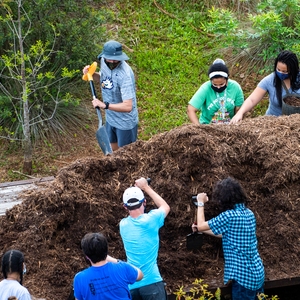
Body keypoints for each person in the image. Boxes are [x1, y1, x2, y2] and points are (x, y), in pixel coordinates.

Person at [192, 177, 265, 300]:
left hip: (243, 280)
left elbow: (201, 224)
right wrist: (203, 230)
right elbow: (229, 234)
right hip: (258, 273)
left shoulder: (229, 216)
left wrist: (200, 202)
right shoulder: (249, 213)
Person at [120, 177, 170, 300]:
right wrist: (146, 187)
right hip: (152, 282)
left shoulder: (123, 225)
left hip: (132, 284)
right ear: (145, 202)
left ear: (125, 207)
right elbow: (165, 206)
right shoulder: (151, 219)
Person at [83, 40, 138, 151]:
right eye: (110, 58)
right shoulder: (104, 61)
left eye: (116, 59)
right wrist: (92, 74)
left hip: (125, 123)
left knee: (125, 157)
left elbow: (128, 106)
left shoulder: (125, 75)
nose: (112, 61)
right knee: (112, 153)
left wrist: (105, 105)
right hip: (110, 118)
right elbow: (105, 81)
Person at [230, 50, 300, 124]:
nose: (281, 73)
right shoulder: (270, 80)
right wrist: (240, 113)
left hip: (296, 124)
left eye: (285, 71)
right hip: (273, 122)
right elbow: (252, 99)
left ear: (293, 70)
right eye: (278, 70)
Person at [73, 232, 143, 300]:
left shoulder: (79, 278)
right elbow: (140, 275)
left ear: (87, 256)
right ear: (106, 250)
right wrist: (116, 261)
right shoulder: (122, 268)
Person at [187, 58, 244, 124]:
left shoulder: (235, 87)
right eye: (215, 84)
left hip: (229, 127)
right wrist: (199, 129)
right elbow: (190, 109)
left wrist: (235, 126)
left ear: (227, 79)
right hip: (208, 126)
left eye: (221, 84)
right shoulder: (205, 88)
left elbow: (239, 110)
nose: (218, 87)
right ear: (210, 80)